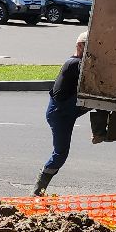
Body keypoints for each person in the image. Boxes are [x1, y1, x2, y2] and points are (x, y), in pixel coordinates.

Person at [35, 32, 88, 196]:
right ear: (79, 46)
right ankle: (38, 190)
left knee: (100, 103)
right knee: (60, 154)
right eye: (88, 47)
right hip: (60, 113)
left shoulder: (77, 63)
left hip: (67, 110)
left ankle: (100, 132)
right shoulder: (74, 64)